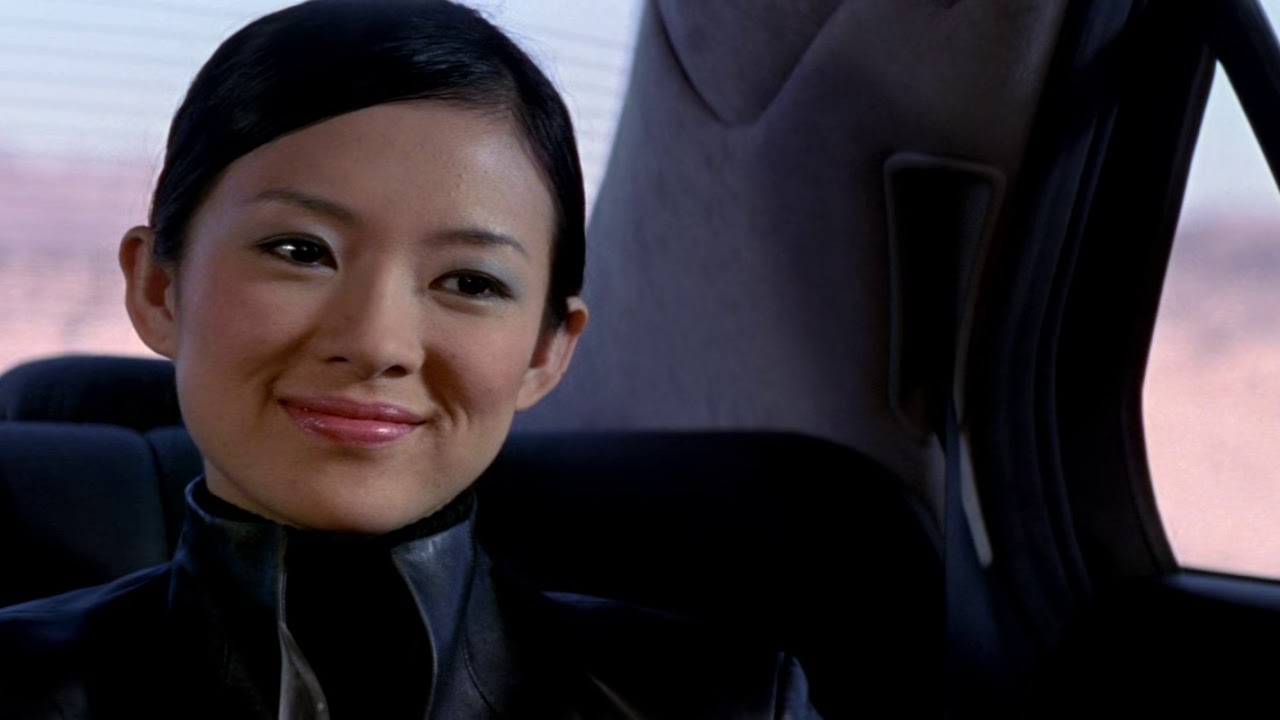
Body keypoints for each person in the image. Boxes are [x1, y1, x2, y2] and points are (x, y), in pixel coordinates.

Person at [0, 1, 822, 718]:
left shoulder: (734, 702)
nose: (376, 343)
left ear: (547, 350)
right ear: (157, 288)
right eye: (301, 251)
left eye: (469, 282)